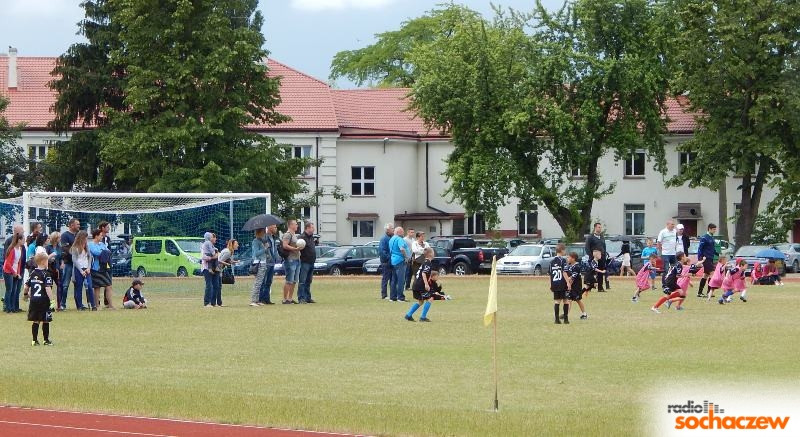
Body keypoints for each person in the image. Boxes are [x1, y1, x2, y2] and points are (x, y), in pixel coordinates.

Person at [24, 253, 54, 346]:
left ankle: (34, 340)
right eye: (47, 261)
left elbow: (26, 286)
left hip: (33, 301)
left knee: (36, 320)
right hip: (44, 300)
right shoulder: (46, 274)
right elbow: (47, 288)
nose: (47, 263)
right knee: (45, 320)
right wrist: (52, 300)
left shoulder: (32, 273)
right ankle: (46, 340)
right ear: (43, 262)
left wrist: (26, 294)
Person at [405, 247, 435, 322]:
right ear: (430, 254)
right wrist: (426, 284)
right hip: (420, 285)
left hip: (416, 284)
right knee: (430, 298)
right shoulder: (428, 263)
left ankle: (408, 315)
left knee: (420, 301)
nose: (434, 253)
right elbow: (424, 273)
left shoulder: (424, 262)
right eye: (433, 252)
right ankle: (423, 317)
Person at [88, 228, 114, 310]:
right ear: (96, 236)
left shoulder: (102, 244)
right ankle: (96, 305)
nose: (102, 237)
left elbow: (108, 252)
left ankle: (110, 305)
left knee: (109, 286)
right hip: (96, 269)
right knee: (97, 287)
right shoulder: (90, 244)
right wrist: (103, 252)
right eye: (101, 235)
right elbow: (96, 253)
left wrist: (103, 251)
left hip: (104, 268)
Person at [70, 231, 95, 311]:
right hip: (79, 269)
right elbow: (74, 260)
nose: (86, 239)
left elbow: (90, 257)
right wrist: (81, 270)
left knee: (90, 286)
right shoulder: (75, 248)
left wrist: (88, 268)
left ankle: (93, 304)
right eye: (85, 238)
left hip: (86, 269)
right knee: (79, 288)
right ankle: (79, 305)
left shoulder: (86, 247)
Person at [59, 218, 80, 311]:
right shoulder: (65, 236)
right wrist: (76, 252)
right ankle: (62, 304)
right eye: (77, 224)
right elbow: (66, 250)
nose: (79, 226)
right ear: (71, 225)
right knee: (65, 284)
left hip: (78, 264)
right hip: (69, 263)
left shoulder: (78, 235)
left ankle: (79, 304)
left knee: (78, 284)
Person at [3, 232, 25, 313]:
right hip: (8, 271)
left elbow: (18, 262)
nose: (24, 241)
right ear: (19, 240)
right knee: (9, 290)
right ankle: (7, 308)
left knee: (15, 290)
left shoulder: (20, 249)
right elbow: (8, 264)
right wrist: (14, 273)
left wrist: (18, 273)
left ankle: (12, 307)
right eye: (23, 240)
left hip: (15, 271)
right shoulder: (12, 249)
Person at [281, 220, 302, 304]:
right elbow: (285, 245)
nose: (297, 225)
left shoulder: (294, 235)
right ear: (291, 225)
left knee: (294, 281)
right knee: (289, 280)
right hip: (290, 259)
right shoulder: (287, 234)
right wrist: (295, 249)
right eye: (296, 224)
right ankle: (284, 299)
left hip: (297, 259)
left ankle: (290, 298)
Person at [696, 223, 718, 297]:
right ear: (709, 229)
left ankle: (699, 292)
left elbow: (712, 248)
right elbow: (700, 248)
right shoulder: (704, 237)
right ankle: (709, 292)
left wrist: (717, 253)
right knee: (712, 274)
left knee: (705, 275)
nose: (715, 230)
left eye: (715, 229)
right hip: (706, 258)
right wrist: (700, 258)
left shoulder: (711, 237)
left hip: (710, 258)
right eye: (714, 229)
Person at [258, 224, 278, 305]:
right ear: (269, 227)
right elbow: (262, 249)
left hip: (272, 262)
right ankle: (261, 298)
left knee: (269, 281)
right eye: (274, 227)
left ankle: (267, 298)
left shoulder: (273, 237)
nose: (276, 228)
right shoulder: (264, 237)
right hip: (266, 262)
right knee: (263, 281)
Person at [297, 221, 317, 304]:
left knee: (309, 281)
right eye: (312, 227)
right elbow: (299, 248)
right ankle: (301, 298)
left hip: (311, 262)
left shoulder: (311, 237)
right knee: (302, 281)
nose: (313, 229)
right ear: (307, 228)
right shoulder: (302, 237)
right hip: (304, 262)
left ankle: (307, 297)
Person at [585, 222, 608, 291]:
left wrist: (604, 255)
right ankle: (589, 287)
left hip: (602, 258)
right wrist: (591, 256)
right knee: (591, 272)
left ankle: (600, 288)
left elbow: (604, 246)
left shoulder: (602, 237)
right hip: (594, 258)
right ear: (595, 228)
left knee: (600, 273)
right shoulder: (590, 237)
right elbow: (587, 247)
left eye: (600, 227)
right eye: (599, 227)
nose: (600, 228)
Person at [550, 243, 569, 324]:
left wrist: (550, 284)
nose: (565, 251)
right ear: (561, 250)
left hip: (555, 283)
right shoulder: (563, 260)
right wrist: (568, 282)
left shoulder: (551, 261)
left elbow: (550, 274)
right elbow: (564, 272)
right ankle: (565, 319)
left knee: (557, 301)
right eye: (564, 250)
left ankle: (557, 319)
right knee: (566, 301)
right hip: (562, 283)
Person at [565, 251, 587, 320]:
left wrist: (568, 284)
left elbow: (572, 278)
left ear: (573, 258)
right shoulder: (570, 266)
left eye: (569, 257)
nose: (567, 258)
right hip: (571, 286)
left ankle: (584, 314)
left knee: (578, 300)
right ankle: (566, 314)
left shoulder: (577, 267)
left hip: (576, 287)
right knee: (569, 300)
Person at [389, 226, 409, 302]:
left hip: (393, 260)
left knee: (394, 279)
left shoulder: (391, 239)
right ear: (398, 232)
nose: (403, 233)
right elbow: (402, 249)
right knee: (401, 280)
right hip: (400, 260)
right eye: (402, 231)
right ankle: (400, 297)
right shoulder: (399, 239)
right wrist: (406, 257)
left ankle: (392, 297)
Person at [44, 232, 62, 311]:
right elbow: (45, 258)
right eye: (59, 237)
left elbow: (61, 257)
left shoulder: (59, 247)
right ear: (55, 238)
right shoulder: (48, 247)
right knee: (49, 286)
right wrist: (50, 259)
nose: (60, 239)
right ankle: (49, 305)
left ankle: (59, 305)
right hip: (50, 269)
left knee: (60, 286)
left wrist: (62, 263)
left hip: (58, 269)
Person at [201, 232, 220, 307]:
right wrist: (213, 257)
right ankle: (207, 302)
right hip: (206, 268)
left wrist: (216, 254)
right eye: (212, 237)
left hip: (213, 268)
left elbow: (215, 253)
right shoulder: (206, 244)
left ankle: (213, 302)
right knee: (209, 285)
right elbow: (203, 257)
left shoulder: (211, 245)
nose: (214, 238)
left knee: (216, 285)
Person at [378, 223, 394, 300]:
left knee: (392, 279)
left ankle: (392, 294)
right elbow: (382, 251)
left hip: (392, 262)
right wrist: (389, 258)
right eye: (392, 228)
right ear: (388, 230)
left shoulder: (392, 238)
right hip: (386, 262)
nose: (393, 230)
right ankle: (384, 295)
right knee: (385, 279)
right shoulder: (384, 239)